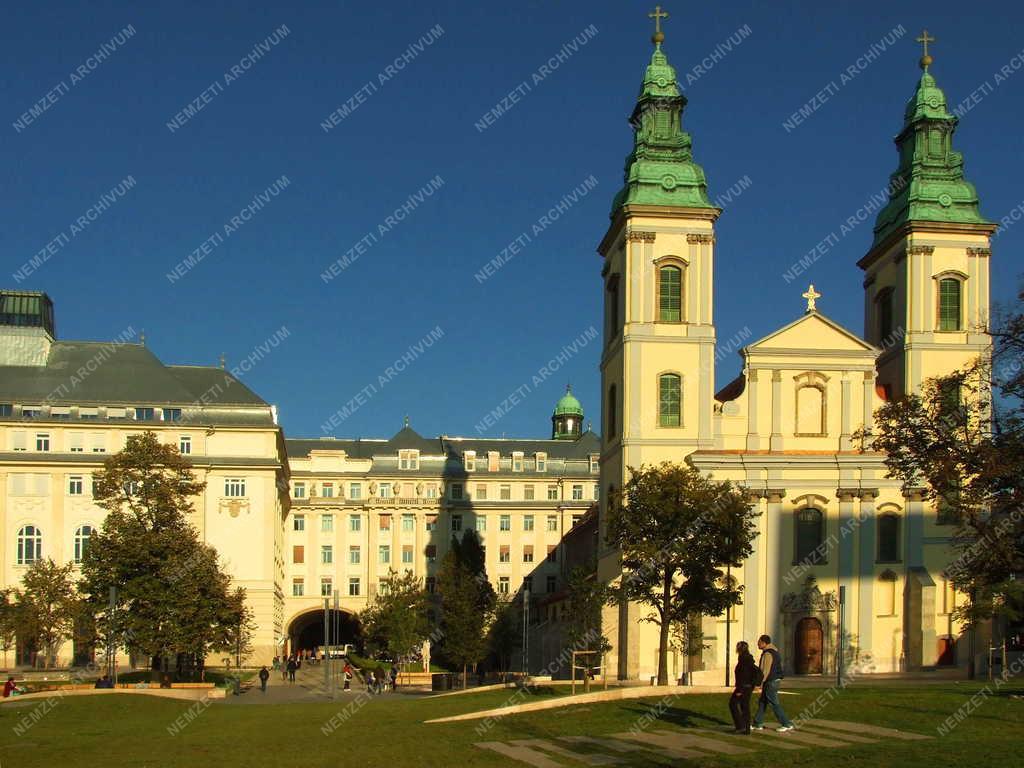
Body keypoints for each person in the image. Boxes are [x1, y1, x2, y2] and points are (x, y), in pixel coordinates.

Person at [752, 634, 794, 732]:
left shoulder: (768, 654)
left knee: (774, 703)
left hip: (771, 681)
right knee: (762, 702)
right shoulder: (774, 652)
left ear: (763, 643)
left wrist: (759, 684)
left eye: (759, 642)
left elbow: (765, 671)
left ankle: (786, 724)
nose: (757, 644)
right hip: (773, 680)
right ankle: (758, 723)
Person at [729, 641, 758, 734]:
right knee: (744, 706)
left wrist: (740, 689)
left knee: (734, 704)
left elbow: (743, 675)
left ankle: (741, 726)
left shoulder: (744, 659)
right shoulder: (746, 658)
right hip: (747, 686)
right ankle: (745, 727)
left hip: (744, 687)